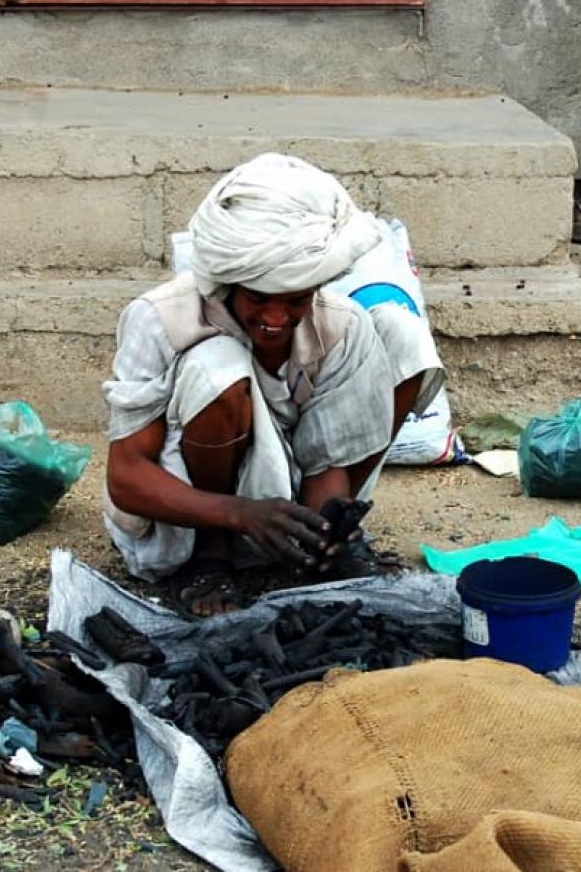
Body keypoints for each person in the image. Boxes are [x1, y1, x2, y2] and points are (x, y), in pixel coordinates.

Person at [102, 153, 445, 616]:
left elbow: (328, 458)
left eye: (296, 300)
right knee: (217, 365)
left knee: (400, 334)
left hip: (281, 516)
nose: (277, 318)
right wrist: (236, 513)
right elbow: (125, 477)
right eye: (259, 299)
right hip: (187, 519)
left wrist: (324, 536)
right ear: (230, 283)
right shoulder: (161, 318)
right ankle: (211, 554)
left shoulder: (337, 326)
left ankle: (320, 541)